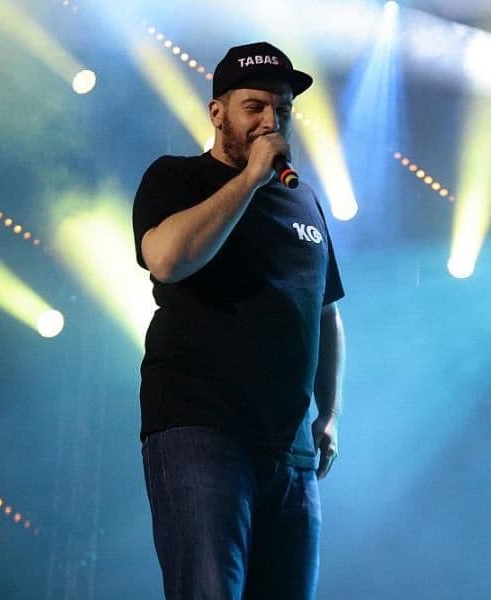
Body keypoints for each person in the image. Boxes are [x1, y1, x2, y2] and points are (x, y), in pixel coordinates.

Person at [132, 41, 345, 599]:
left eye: (282, 109)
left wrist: (329, 413)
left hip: (291, 446)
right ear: (217, 112)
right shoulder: (177, 178)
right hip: (202, 426)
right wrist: (250, 179)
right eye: (255, 107)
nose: (271, 122)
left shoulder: (305, 202)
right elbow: (167, 259)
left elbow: (325, 312)